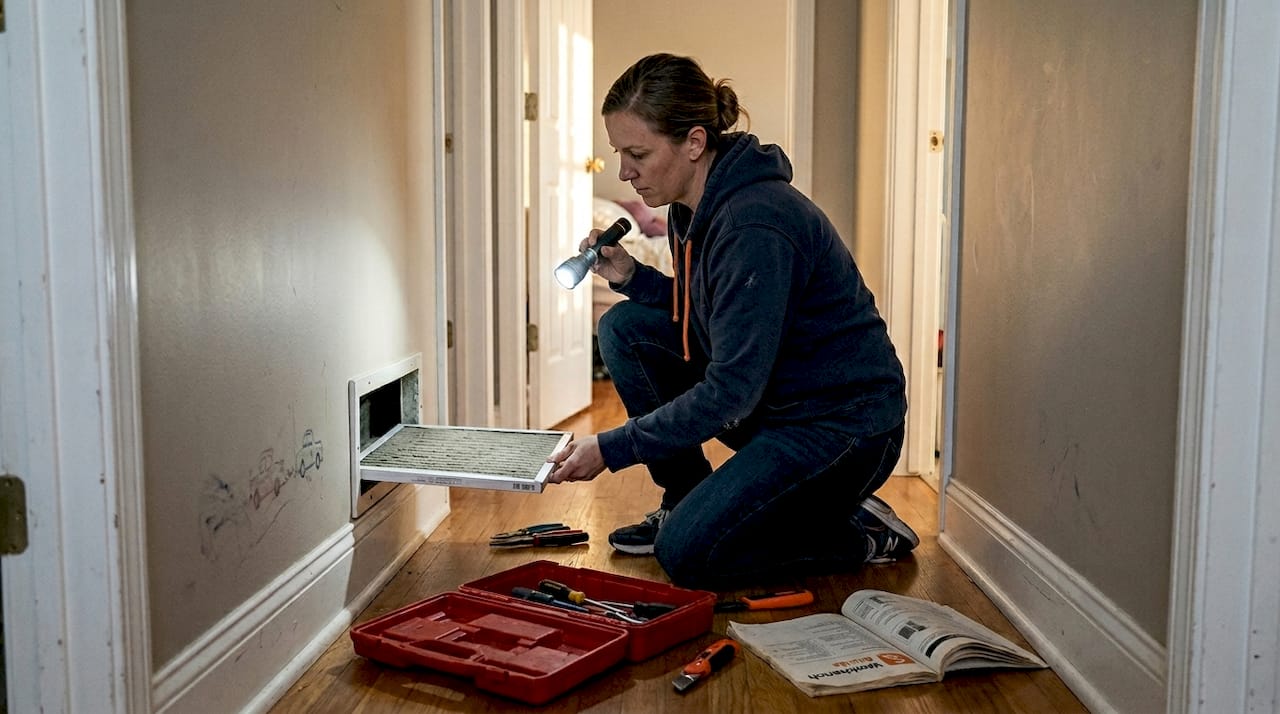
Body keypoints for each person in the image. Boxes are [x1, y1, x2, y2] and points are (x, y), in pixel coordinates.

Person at [546, 53, 916, 590]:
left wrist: (611, 447)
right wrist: (632, 278)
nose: (624, 170)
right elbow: (713, 314)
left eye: (637, 153)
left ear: (694, 143)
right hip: (776, 405)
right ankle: (686, 502)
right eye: (619, 153)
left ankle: (859, 530)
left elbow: (731, 392)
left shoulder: (756, 222)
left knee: (690, 556)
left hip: (841, 429)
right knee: (624, 328)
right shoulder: (690, 207)